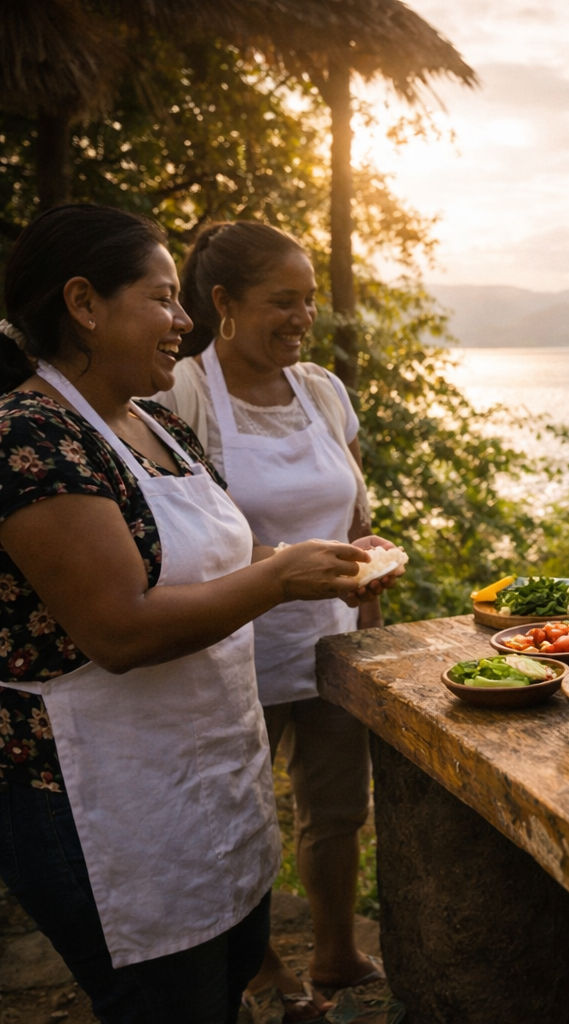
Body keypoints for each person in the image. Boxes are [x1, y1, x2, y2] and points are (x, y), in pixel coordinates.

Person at [0, 205, 394, 1023]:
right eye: (164, 298)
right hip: (113, 807)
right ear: (83, 304)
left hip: (208, 787)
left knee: (223, 988)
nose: (185, 321)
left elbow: (208, 557)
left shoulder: (155, 421)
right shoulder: (29, 436)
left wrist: (322, 567)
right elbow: (119, 629)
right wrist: (281, 576)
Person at [153, 222, 382, 1018]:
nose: (302, 318)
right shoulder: (179, 394)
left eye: (309, 303)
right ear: (223, 303)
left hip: (330, 645)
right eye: (282, 302)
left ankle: (336, 952)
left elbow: (349, 508)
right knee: (234, 816)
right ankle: (259, 970)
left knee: (337, 811)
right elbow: (173, 526)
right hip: (228, 650)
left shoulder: (321, 389)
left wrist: (367, 552)